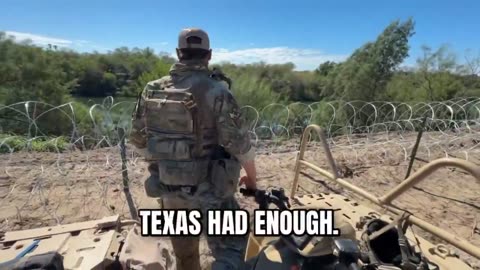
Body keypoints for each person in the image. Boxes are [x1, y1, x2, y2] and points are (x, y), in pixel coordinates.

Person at [129, 28, 257, 270]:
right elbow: (239, 144)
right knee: (233, 250)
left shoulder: (151, 89)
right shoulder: (217, 91)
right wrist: (252, 178)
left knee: (185, 257)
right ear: (208, 55)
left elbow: (137, 138)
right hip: (212, 190)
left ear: (178, 53)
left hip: (169, 189)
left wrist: (164, 163)